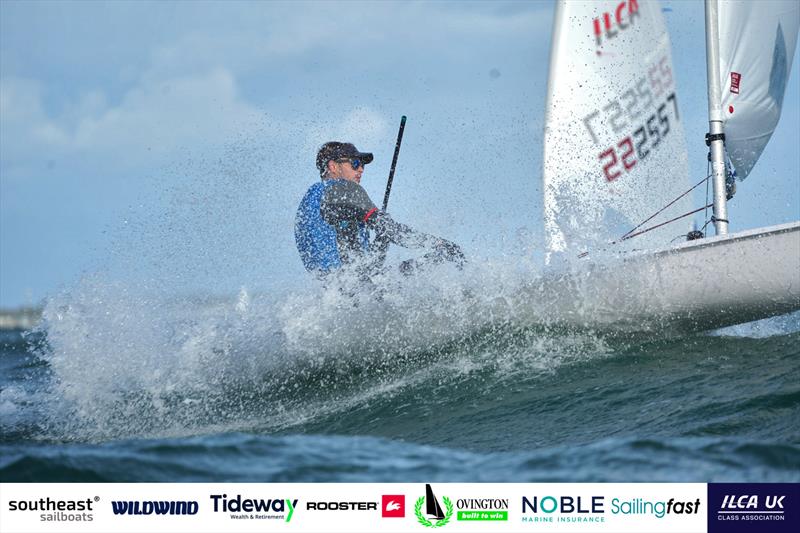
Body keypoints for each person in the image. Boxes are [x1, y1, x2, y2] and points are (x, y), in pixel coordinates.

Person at [295, 141, 464, 279]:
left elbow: (356, 263)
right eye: (354, 163)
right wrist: (438, 244)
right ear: (333, 166)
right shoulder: (345, 189)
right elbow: (393, 231)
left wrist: (382, 240)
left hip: (336, 297)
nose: (361, 169)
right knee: (447, 255)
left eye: (362, 165)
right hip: (361, 289)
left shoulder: (308, 204)